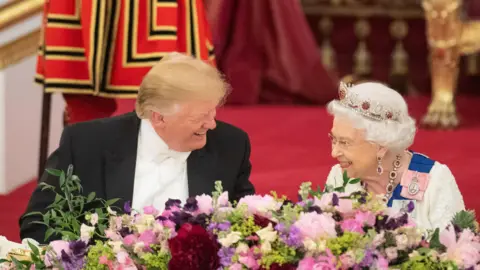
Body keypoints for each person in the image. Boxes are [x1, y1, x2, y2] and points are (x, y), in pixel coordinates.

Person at [20, 52, 255, 243]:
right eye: (200, 117)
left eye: (212, 112)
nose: (211, 124)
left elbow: (246, 224)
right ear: (159, 118)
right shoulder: (87, 144)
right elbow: (39, 222)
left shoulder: (230, 145)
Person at [325, 82, 465, 230]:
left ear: (381, 146)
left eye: (345, 142)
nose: (334, 153)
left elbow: (457, 247)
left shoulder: (434, 180)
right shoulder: (339, 176)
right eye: (333, 139)